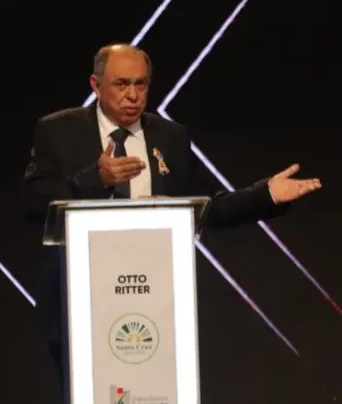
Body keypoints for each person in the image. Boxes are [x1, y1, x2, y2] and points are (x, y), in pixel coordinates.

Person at [22, 43, 321, 401]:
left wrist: (266, 195)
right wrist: (96, 179)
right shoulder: (58, 130)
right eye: (121, 84)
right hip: (79, 306)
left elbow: (209, 207)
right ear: (95, 85)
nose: (133, 95)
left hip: (154, 301)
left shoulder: (170, 137)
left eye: (141, 84)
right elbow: (34, 201)